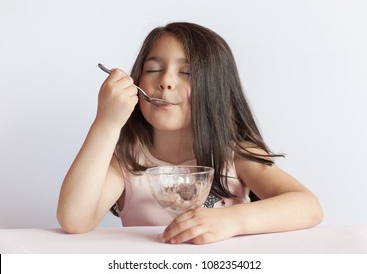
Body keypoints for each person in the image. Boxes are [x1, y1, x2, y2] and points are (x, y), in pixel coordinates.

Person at [57, 22, 323, 244]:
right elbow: (74, 219)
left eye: (186, 72)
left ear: (216, 90)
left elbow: (308, 206)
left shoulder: (234, 154)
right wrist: (106, 123)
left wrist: (233, 220)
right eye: (152, 69)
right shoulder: (127, 160)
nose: (166, 81)